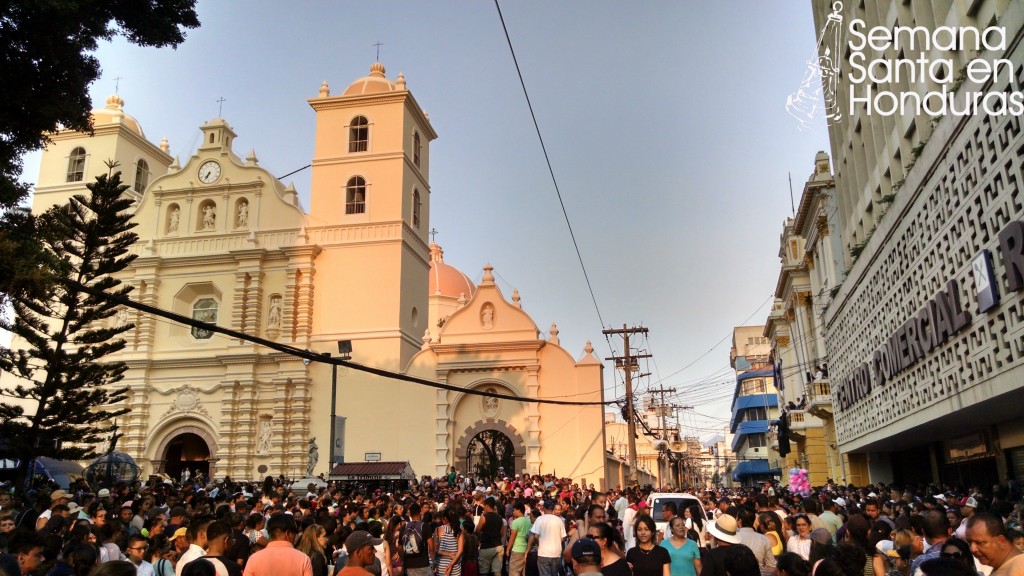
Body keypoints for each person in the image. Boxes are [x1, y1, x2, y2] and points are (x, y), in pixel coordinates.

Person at [243, 513, 312, 576]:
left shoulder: (254, 559)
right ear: (288, 533)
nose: (295, 536)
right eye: (295, 532)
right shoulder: (303, 559)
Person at [526, 500, 566, 576]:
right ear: (553, 509)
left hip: (543, 553)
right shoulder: (559, 520)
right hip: (556, 553)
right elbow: (563, 538)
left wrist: (539, 544)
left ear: (544, 508)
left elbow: (535, 536)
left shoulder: (540, 519)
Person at [736, 509, 775, 576]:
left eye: (736, 518)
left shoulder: (734, 537)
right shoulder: (763, 538)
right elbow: (771, 566)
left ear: (740, 521)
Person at [475, 498, 504, 576]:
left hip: (486, 547)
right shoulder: (499, 518)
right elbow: (501, 533)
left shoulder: (484, 517)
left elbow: (477, 530)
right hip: (498, 546)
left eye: (484, 506)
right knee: (497, 571)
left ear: (487, 506)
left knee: (484, 572)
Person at [434, 509, 463, 576]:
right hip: (455, 565)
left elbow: (435, 549)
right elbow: (460, 551)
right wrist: (451, 564)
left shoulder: (438, 529)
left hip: (441, 566)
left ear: (445, 518)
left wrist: (447, 554)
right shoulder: (458, 531)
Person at [507, 503, 532, 576]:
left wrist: (508, 549)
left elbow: (512, 537)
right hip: (527, 550)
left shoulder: (515, 522)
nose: (513, 512)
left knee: (514, 572)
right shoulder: (529, 520)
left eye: (514, 510)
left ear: (519, 510)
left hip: (517, 550)